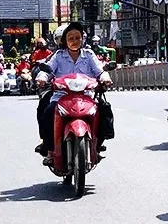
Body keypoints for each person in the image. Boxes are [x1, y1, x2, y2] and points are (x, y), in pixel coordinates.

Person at [34, 22, 111, 155]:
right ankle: (47, 143)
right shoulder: (58, 56)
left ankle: (98, 143)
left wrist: (105, 78)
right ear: (65, 41)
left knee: (104, 112)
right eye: (71, 39)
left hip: (86, 97)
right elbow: (48, 70)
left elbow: (100, 71)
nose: (74, 41)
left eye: (77, 38)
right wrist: (42, 78)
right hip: (61, 97)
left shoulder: (89, 55)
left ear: (82, 39)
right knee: (47, 112)